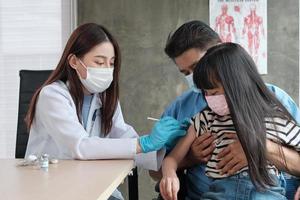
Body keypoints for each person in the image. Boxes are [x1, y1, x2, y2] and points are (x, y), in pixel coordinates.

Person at [24, 23, 187, 200]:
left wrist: (162, 146)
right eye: (99, 62)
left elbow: (122, 136)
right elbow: (80, 146)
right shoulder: (52, 96)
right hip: (52, 188)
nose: (107, 69)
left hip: (92, 185)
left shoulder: (104, 97)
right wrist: (144, 143)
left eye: (111, 63)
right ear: (73, 62)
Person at [150, 20, 300, 199]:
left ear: (221, 53)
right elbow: (157, 170)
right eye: (185, 73)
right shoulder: (184, 110)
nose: (195, 78)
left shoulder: (272, 103)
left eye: (197, 66)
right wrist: (191, 158)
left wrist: (259, 148)